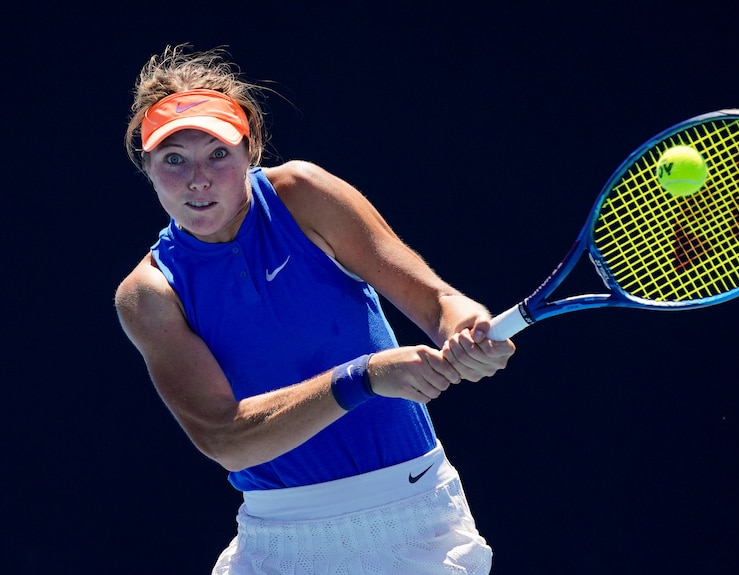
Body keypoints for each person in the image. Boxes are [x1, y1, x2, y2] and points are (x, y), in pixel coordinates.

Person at [115, 44, 516, 575]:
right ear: (145, 166)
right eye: (174, 160)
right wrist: (363, 379)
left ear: (250, 149)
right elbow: (225, 439)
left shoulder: (302, 195)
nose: (199, 180)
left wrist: (467, 327)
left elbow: (438, 301)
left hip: (413, 519)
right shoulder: (149, 293)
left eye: (218, 154)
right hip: (279, 540)